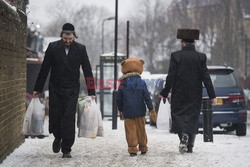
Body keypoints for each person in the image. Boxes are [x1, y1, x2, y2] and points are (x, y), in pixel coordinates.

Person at [33, 23, 96, 158]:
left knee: (68, 118)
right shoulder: (53, 47)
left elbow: (88, 71)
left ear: (74, 36)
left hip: (72, 89)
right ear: (62, 35)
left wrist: (92, 91)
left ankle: (67, 148)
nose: (68, 41)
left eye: (70, 39)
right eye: (65, 39)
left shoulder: (80, 49)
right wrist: (37, 89)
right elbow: (44, 69)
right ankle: (57, 137)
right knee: (56, 115)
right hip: (55, 88)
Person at [160, 29, 216, 154]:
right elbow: (206, 77)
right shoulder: (201, 57)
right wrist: (212, 95)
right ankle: (190, 145)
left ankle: (183, 137)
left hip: (179, 93)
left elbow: (171, 76)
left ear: (183, 42)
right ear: (193, 43)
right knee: (192, 118)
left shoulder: (175, 56)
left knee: (179, 116)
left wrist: (165, 92)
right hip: (194, 94)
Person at [116, 58, 157, 157]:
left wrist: (121, 110)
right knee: (141, 129)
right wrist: (151, 109)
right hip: (140, 111)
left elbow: (119, 98)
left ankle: (133, 148)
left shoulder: (123, 83)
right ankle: (143, 147)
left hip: (128, 111)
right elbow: (147, 97)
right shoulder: (141, 82)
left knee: (130, 130)